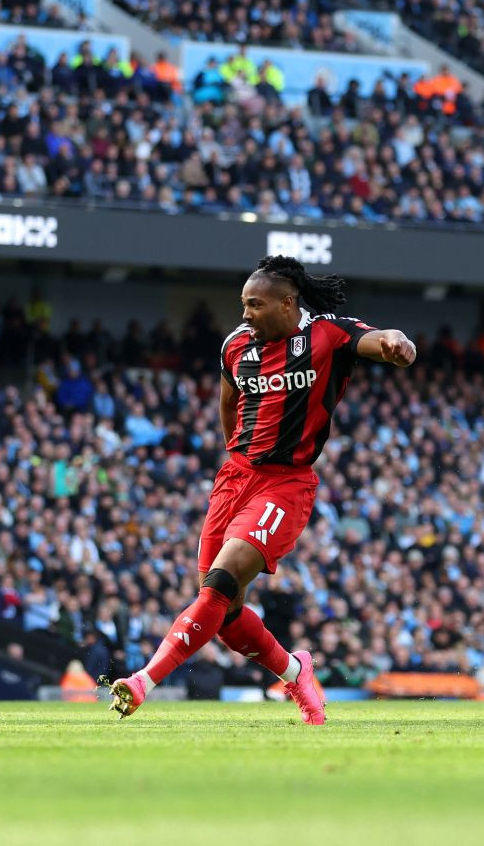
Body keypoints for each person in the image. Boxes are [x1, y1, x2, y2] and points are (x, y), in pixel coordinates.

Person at [102, 255, 417, 724]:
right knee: (225, 616)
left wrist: (397, 341)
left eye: (255, 304)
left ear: (288, 303)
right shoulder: (236, 346)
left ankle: (143, 680)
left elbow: (378, 339)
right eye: (243, 304)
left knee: (220, 583)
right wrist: (238, 455)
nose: (246, 313)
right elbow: (228, 404)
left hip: (286, 484)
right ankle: (295, 671)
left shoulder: (327, 334)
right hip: (235, 480)